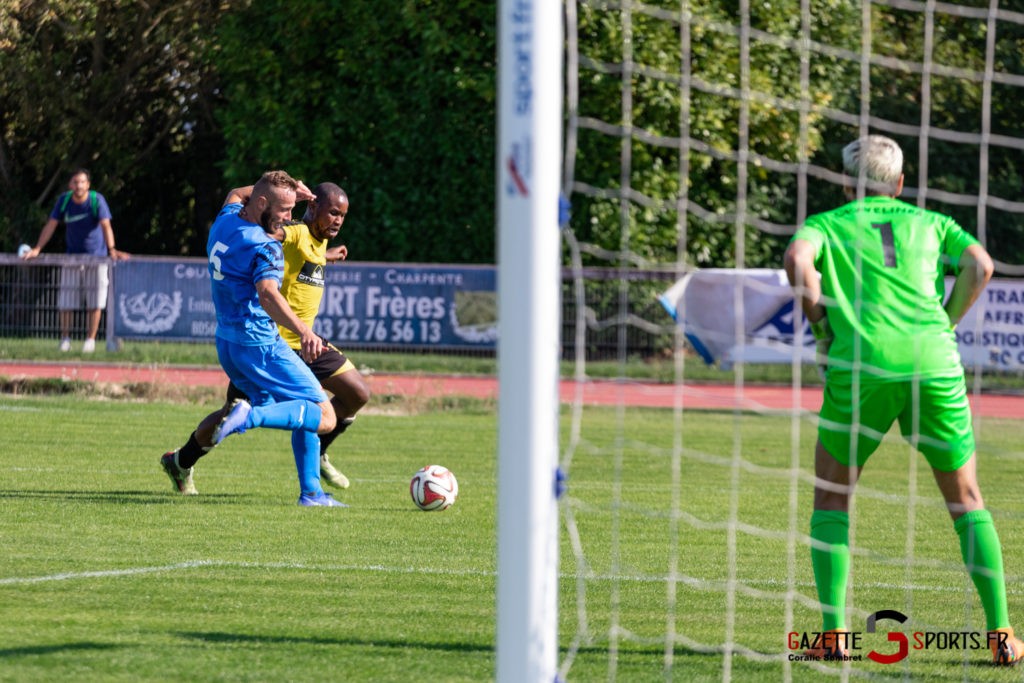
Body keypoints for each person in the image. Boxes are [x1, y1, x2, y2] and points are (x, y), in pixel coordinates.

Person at [784, 134, 1022, 665]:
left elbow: (798, 260)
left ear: (846, 183)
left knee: (832, 497)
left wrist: (821, 327)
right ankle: (1002, 633)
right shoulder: (931, 223)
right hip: (934, 364)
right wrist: (947, 319)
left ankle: (835, 635)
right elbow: (980, 265)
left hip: (860, 365)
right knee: (967, 501)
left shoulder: (826, 225)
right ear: (898, 183)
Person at [160, 182, 370, 496]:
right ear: (311, 207)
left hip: (305, 344)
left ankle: (318, 458)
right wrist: (275, 216)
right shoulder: (291, 233)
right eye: (332, 213)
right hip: (274, 343)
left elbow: (240, 201)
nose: (338, 220)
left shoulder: (314, 241)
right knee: (231, 414)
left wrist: (327, 255)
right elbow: (275, 237)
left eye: (343, 215)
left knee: (356, 393)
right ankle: (181, 459)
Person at [21, 169, 130, 352]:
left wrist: (111, 249)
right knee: (66, 300)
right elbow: (51, 225)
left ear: (87, 185)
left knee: (95, 300)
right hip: (72, 256)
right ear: (70, 185)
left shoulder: (97, 200)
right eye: (75, 182)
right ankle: (65, 339)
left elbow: (106, 225)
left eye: (82, 182)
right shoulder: (64, 201)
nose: (78, 186)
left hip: (97, 257)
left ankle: (90, 340)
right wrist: (37, 248)